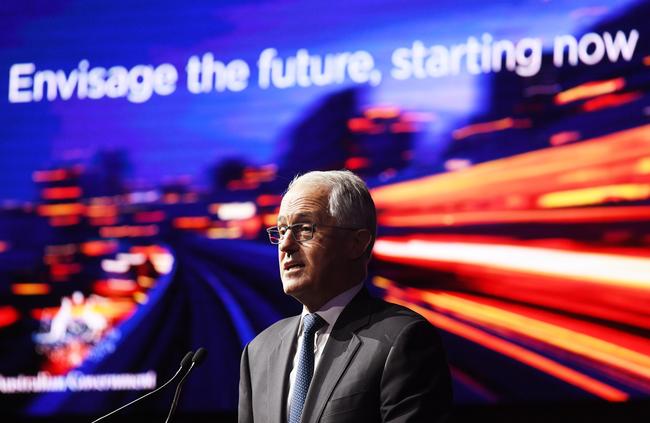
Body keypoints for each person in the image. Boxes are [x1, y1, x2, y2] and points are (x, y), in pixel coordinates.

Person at [239, 170, 452, 423]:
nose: (285, 244)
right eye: (282, 230)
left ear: (356, 243)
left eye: (304, 229)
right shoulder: (259, 350)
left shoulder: (404, 338)